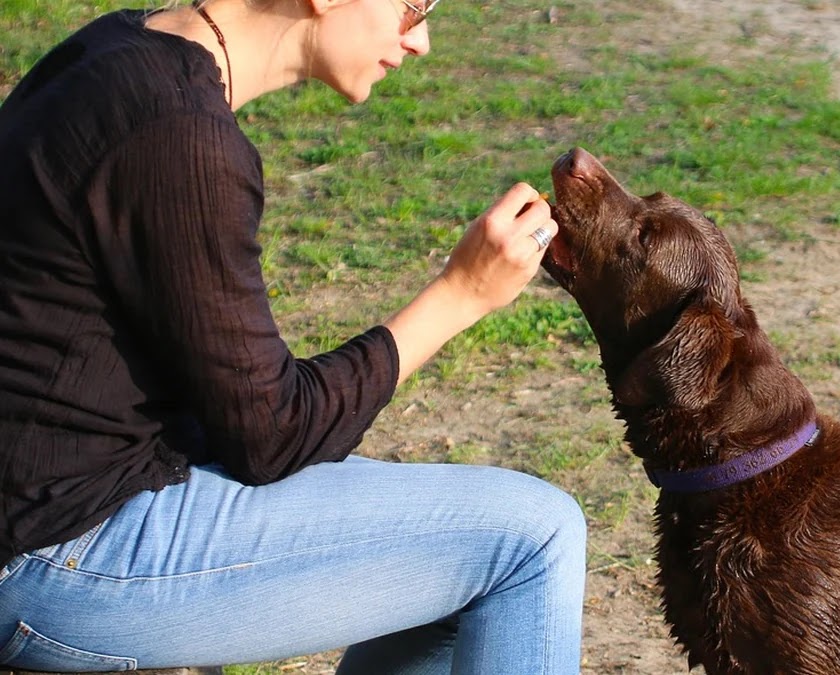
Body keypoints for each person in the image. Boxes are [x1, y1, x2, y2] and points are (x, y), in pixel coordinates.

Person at [0, 0, 587, 672]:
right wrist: (461, 294)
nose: (420, 39)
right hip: (55, 550)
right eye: (411, 7)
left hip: (51, 507)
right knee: (535, 537)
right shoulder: (178, 134)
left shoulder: (122, 49)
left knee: (460, 537)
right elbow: (270, 435)